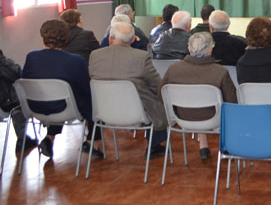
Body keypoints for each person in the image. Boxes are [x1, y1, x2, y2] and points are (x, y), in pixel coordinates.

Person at [22, 20, 103, 159]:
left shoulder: (31, 57)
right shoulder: (76, 60)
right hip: (65, 108)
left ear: (43, 38)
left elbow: (25, 80)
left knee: (56, 96)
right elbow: (86, 89)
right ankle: (92, 141)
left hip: (36, 107)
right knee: (92, 100)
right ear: (66, 38)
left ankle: (49, 137)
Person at [89, 21, 168, 159]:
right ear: (132, 40)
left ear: (110, 39)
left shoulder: (95, 56)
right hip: (137, 112)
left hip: (103, 111)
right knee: (159, 100)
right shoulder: (141, 57)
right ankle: (154, 145)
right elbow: (157, 84)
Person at [158, 32, 237, 160]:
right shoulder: (220, 72)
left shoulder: (173, 69)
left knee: (197, 103)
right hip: (213, 119)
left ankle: (203, 146)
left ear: (189, 48)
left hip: (182, 117)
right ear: (210, 50)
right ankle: (228, 147)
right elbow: (232, 103)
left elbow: (161, 95)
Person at [0, 49, 37, 153]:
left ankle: (23, 139)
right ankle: (22, 138)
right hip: (7, 106)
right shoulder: (4, 64)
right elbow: (18, 74)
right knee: (17, 101)